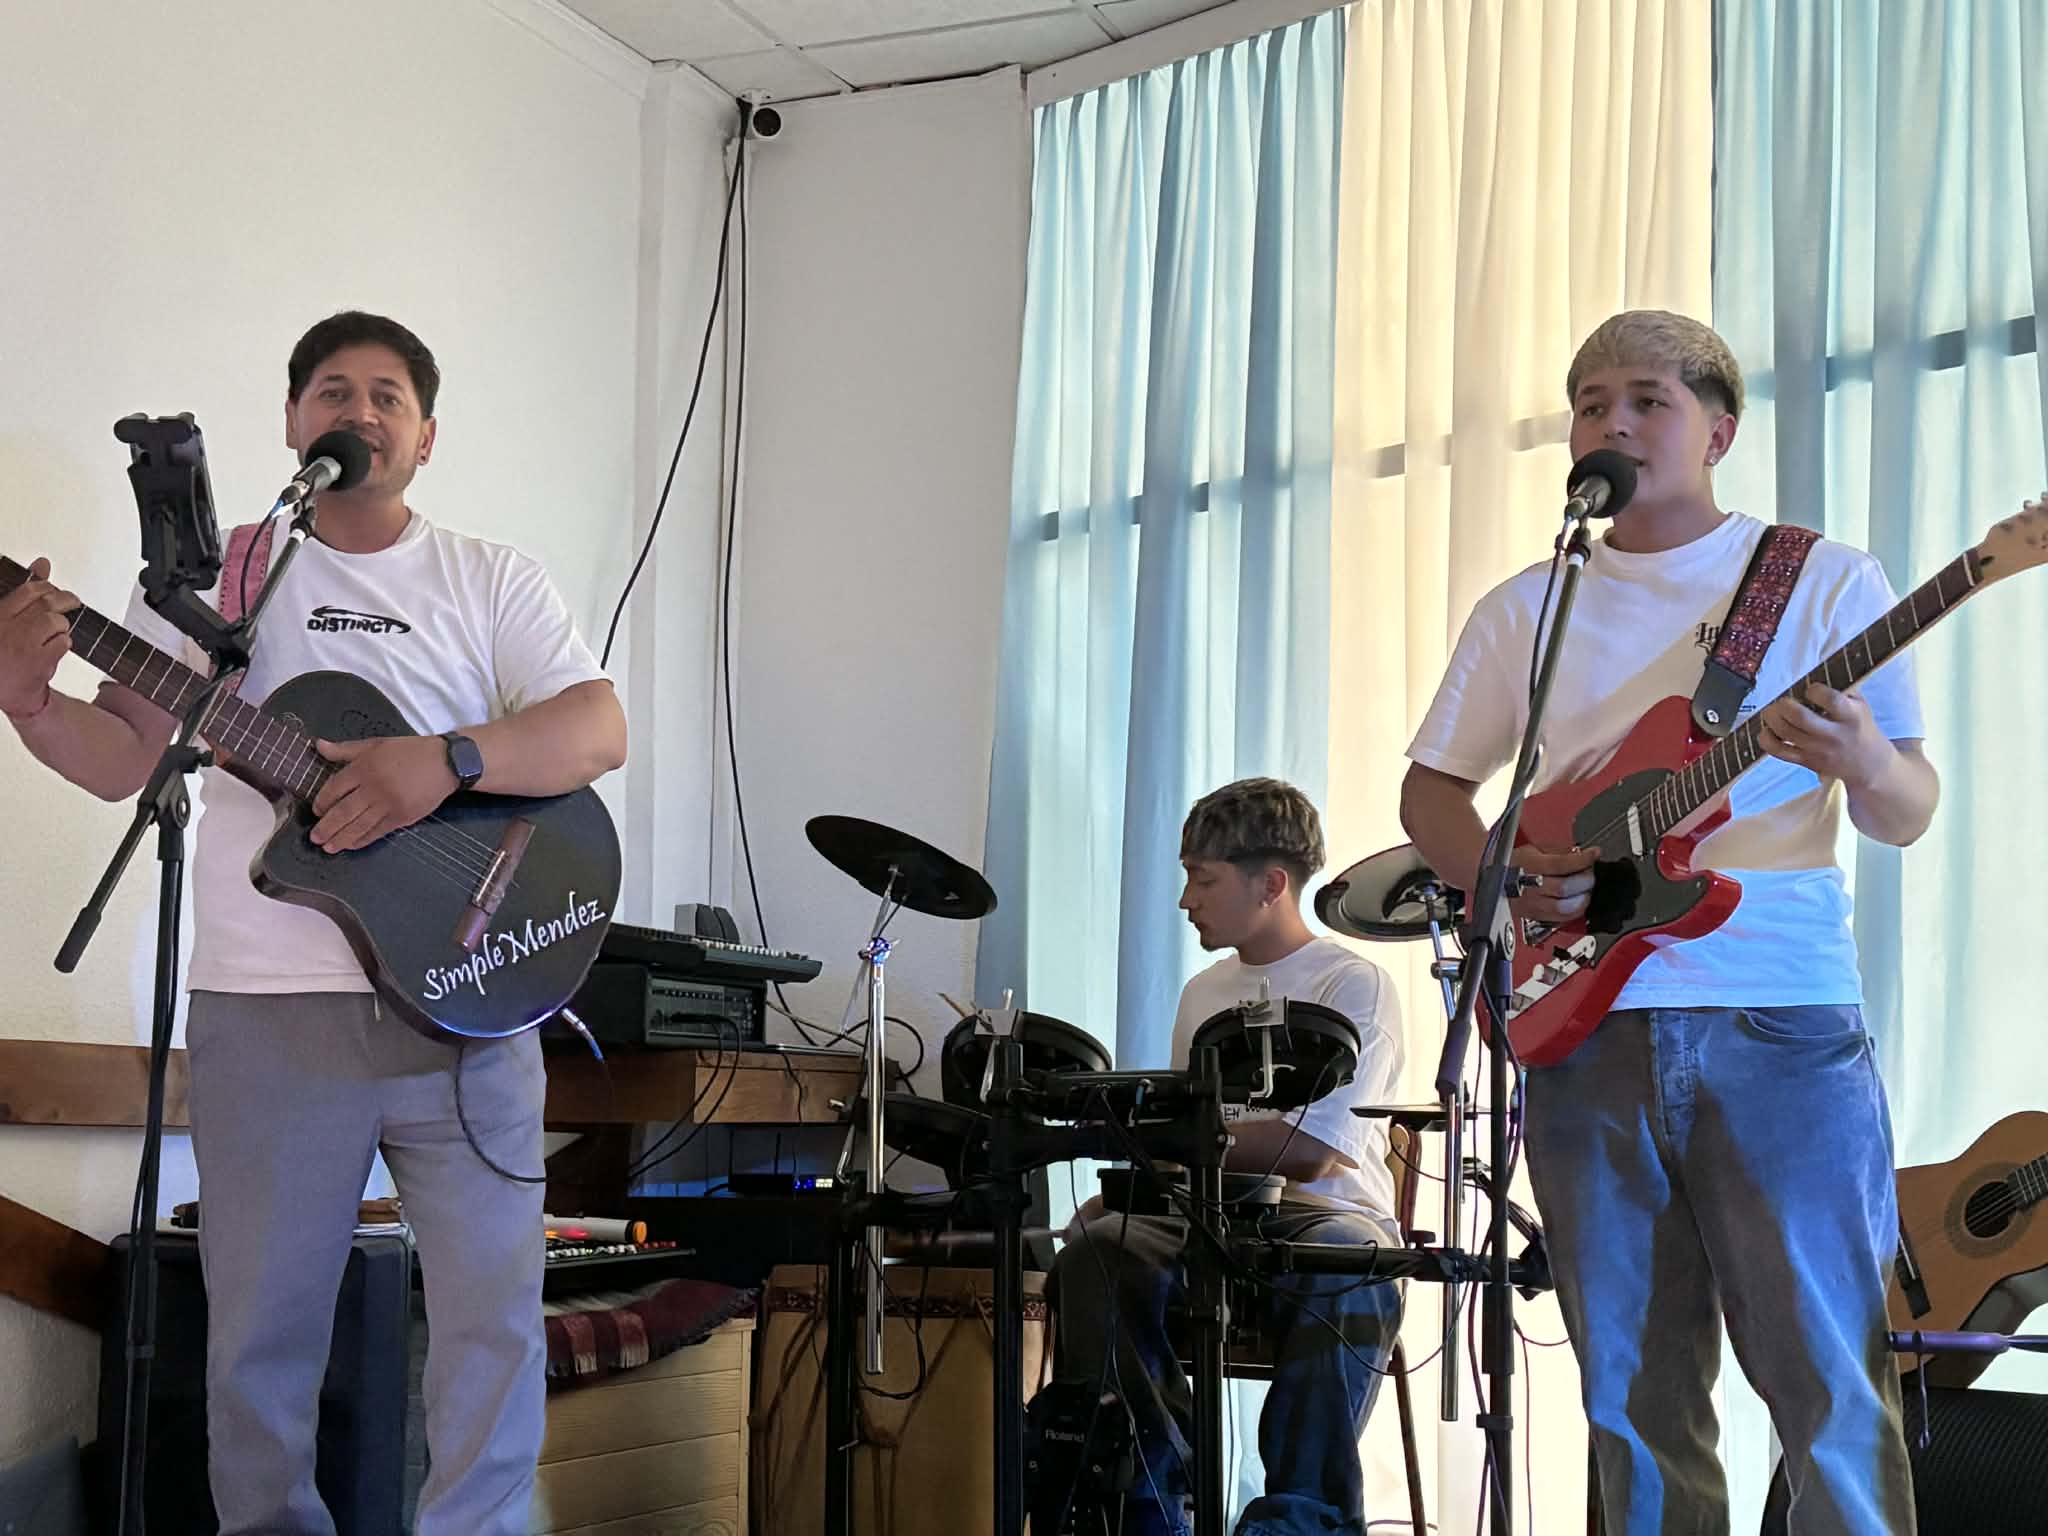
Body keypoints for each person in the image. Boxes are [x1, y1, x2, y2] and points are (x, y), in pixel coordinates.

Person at [0, 311, 628, 1534]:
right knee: (259, 1345)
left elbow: (594, 727)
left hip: (469, 1002)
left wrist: (440, 763)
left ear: (426, 437)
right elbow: (125, 757)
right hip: (267, 1015)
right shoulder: (219, 579)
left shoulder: (490, 578)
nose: (361, 410)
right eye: (334, 390)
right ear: (294, 422)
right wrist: (28, 704)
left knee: (492, 1329)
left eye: (390, 395)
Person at [1400, 310, 1937, 1534]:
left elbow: (1905, 810)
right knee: (1631, 1401)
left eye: (1647, 399)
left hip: (1778, 1015)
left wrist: (1861, 756)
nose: (1615, 422)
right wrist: (1506, 875)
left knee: (1825, 1378)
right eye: (1591, 404)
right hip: (1580, 1025)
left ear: (1717, 431)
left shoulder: (1823, 582)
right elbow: (1430, 793)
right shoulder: (1528, 608)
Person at [1052, 777, 1405, 1536]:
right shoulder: (1203, 991)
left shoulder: (1354, 984)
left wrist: (1157, 1141)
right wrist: (1132, 1180)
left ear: (1271, 884)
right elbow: (1189, 1136)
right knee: (1096, 1252)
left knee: (1346, 1268)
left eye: (1202, 879)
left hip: (1321, 1217)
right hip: (1209, 1214)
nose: (1187, 900)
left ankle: (1299, 1520)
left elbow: (1315, 1153)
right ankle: (1147, 1508)